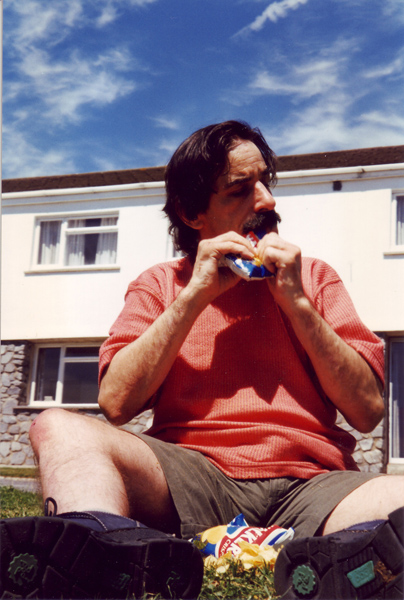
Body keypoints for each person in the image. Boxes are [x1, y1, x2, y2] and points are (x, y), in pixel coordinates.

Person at [1, 120, 403, 600]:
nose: (266, 201)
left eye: (265, 182)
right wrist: (195, 295)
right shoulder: (161, 284)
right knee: (57, 426)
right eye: (240, 189)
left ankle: (341, 562)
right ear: (193, 214)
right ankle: (98, 553)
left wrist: (296, 301)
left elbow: (367, 410)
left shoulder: (314, 278)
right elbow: (116, 403)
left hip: (313, 486)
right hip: (191, 479)